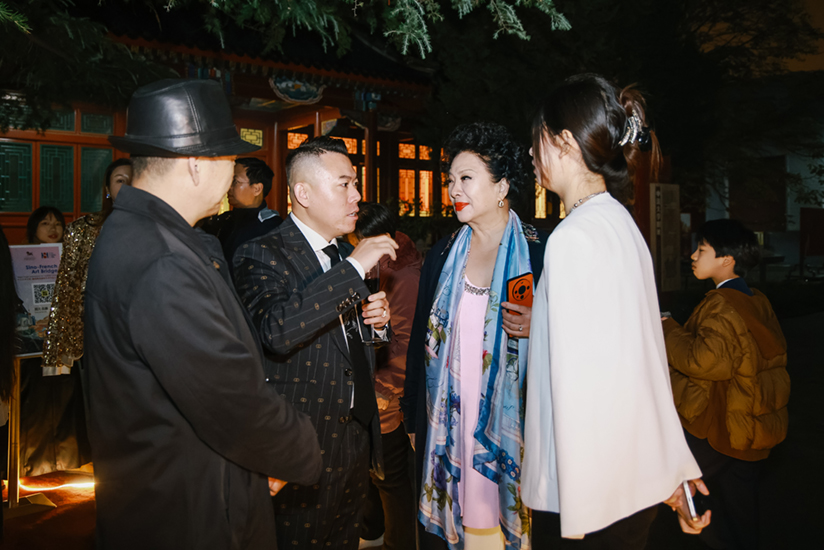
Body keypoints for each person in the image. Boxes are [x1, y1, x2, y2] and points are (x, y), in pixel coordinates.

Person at [83, 78, 322, 550]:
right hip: (191, 509)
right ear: (196, 164)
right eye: (230, 159)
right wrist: (298, 451)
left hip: (157, 489)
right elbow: (230, 398)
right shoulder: (163, 260)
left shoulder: (133, 231)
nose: (233, 174)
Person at [522, 73, 710, 549]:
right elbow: (642, 363)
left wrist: (579, 509)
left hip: (587, 493)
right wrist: (669, 470)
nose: (531, 153)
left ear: (565, 142)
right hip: (629, 486)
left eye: (538, 139)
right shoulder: (620, 223)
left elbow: (578, 384)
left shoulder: (571, 238)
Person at [233, 135, 397, 550]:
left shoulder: (343, 254)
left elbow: (344, 343)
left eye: (355, 184)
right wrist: (355, 267)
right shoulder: (261, 253)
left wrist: (376, 326)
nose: (356, 196)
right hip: (301, 444)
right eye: (344, 185)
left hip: (355, 441)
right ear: (303, 194)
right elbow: (277, 331)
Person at [401, 122, 548, 550]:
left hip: (515, 425)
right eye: (450, 180)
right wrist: (412, 416)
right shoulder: (443, 254)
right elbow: (419, 341)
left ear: (502, 186)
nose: (453, 190)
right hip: (448, 422)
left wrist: (542, 325)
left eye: (466, 178)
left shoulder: (539, 251)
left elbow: (580, 335)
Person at [664, 219, 789, 550]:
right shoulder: (755, 299)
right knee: (740, 513)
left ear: (726, 259)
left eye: (702, 249)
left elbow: (703, 361)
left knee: (675, 486)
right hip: (749, 427)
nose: (693, 255)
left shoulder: (722, 304)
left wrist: (667, 328)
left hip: (719, 426)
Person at [350, 202, 422, 550]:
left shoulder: (402, 275)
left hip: (387, 391)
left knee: (391, 477)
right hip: (374, 384)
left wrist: (384, 390)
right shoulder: (385, 263)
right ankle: (372, 530)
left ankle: (399, 542)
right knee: (374, 472)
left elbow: (404, 343)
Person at [43, 158, 132, 375]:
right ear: (107, 189)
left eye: (133, 180)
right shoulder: (83, 230)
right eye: (120, 180)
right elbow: (66, 289)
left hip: (137, 331)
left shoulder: (157, 230)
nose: (128, 187)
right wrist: (60, 347)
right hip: (94, 332)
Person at [201, 157, 282, 267]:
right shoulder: (225, 220)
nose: (228, 187)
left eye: (235, 181)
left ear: (257, 189)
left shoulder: (273, 228)